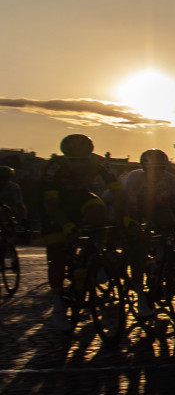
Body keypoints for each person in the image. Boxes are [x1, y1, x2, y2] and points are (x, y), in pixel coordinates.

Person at [40, 133, 118, 327]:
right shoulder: (54, 167)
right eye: (73, 161)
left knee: (99, 212)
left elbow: (118, 192)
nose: (78, 165)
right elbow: (51, 204)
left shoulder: (100, 162)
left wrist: (123, 216)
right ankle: (58, 304)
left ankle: (97, 254)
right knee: (57, 253)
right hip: (56, 204)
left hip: (81, 198)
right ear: (65, 157)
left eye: (82, 161)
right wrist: (66, 224)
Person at [118, 149, 175, 319]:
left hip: (157, 208)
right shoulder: (134, 179)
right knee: (137, 244)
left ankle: (161, 262)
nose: (156, 174)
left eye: (160, 170)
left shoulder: (171, 180)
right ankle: (140, 293)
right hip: (132, 207)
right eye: (152, 171)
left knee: (165, 221)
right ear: (144, 169)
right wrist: (131, 224)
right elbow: (126, 206)